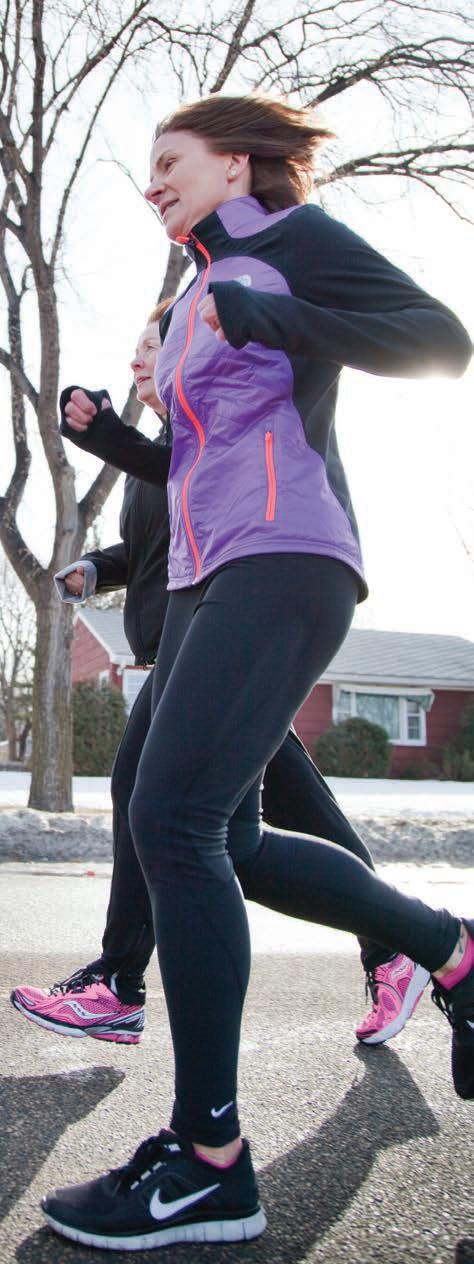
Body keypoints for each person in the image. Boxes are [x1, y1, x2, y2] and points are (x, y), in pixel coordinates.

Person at [41, 95, 472, 1252]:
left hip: (288, 556)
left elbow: (441, 340)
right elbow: (197, 456)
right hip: (207, 574)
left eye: (169, 161)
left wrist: (274, 315)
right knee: (211, 832)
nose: (152, 183)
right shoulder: (195, 292)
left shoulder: (291, 241)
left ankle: (211, 1159)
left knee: (171, 819)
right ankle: (450, 948)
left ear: (237, 163)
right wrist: (109, 433)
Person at [11, 306, 427, 1046]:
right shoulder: (161, 456)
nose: (140, 359)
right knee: (276, 812)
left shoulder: (205, 434)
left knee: (162, 801)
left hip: (221, 642)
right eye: (138, 347)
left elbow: (209, 496)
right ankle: (405, 943)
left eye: (154, 345)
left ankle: (122, 982)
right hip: (192, 650)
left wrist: (111, 436)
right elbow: (149, 548)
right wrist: (96, 569)